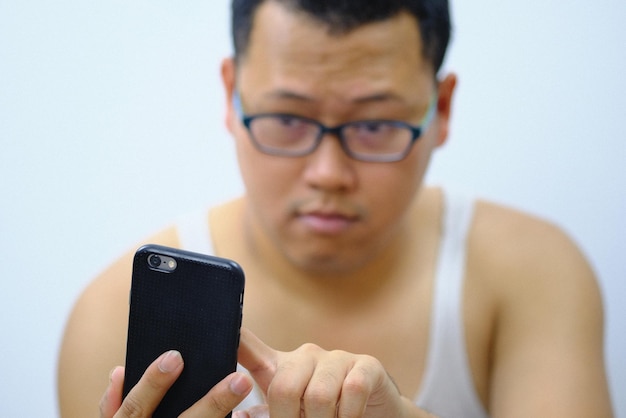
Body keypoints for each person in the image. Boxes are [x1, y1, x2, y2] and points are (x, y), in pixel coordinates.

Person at [57, 0, 614, 417]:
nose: (328, 172)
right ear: (231, 95)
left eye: (375, 125)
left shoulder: (527, 272)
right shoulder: (113, 319)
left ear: (441, 109)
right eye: (288, 118)